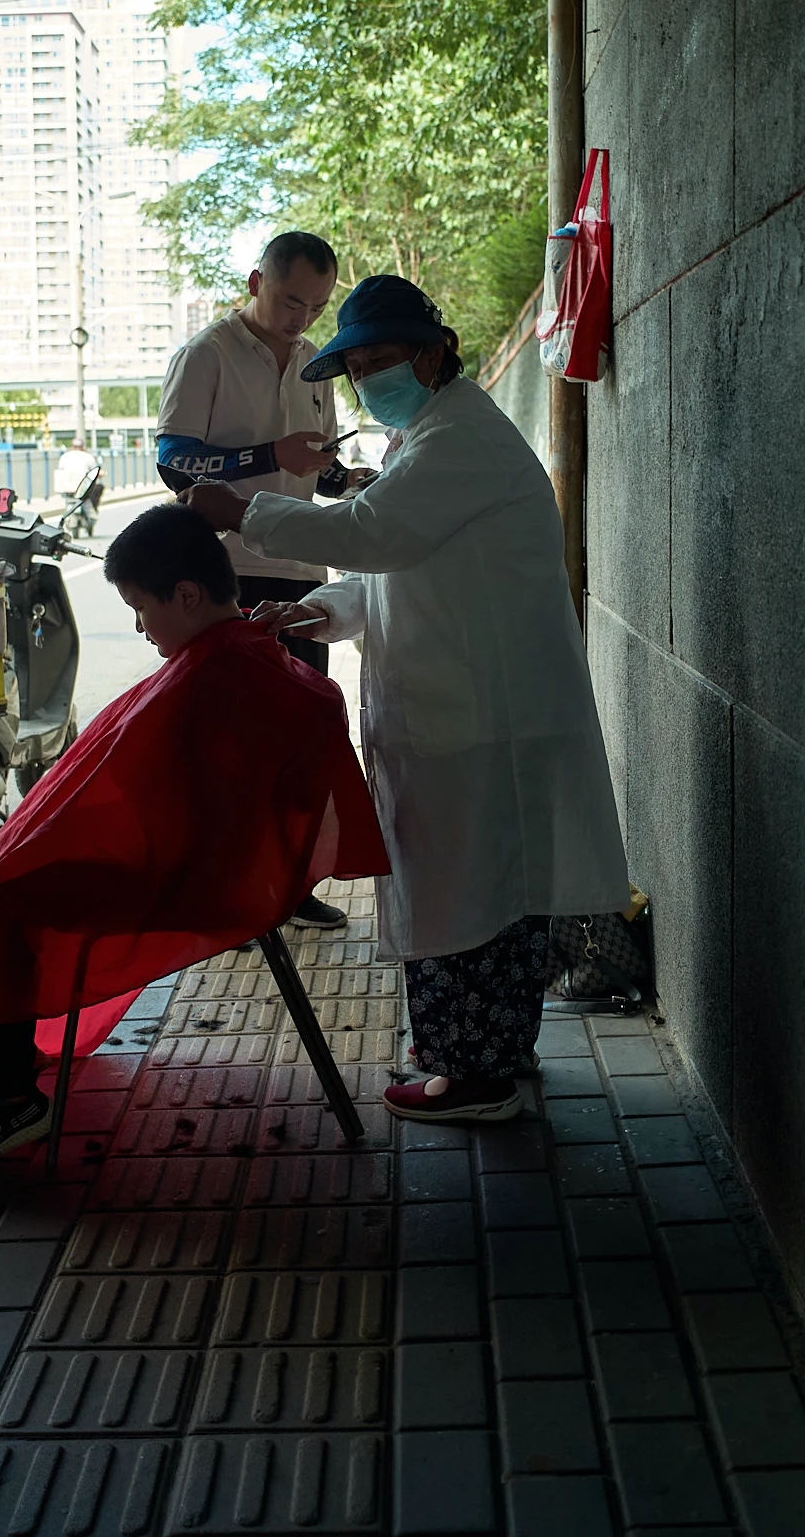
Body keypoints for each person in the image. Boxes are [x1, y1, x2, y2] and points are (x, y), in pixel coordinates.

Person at [184, 274, 629, 1124]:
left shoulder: (459, 439)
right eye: (356, 369)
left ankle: (474, 1077)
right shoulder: (425, 442)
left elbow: (372, 535)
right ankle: (492, 1054)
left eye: (381, 360)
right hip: (460, 709)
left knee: (470, 900)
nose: (367, 381)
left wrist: (239, 512)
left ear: (433, 354)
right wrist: (317, 609)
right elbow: (393, 573)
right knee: (484, 895)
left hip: (476, 719)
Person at [0, 504, 387, 1171]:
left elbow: (123, 800)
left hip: (194, 883)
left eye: (141, 608)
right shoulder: (247, 657)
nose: (139, 626)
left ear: (185, 594)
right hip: (220, 868)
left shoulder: (215, 675)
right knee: (4, 885)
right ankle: (9, 1074)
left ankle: (10, 1100)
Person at [155, 230, 366, 930]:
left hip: (304, 571)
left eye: (315, 305)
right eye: (288, 299)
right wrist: (265, 454)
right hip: (227, 573)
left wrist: (347, 480)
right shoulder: (207, 353)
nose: (300, 317)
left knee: (299, 736)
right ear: (254, 283)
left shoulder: (315, 365)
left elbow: (317, 468)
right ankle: (227, 899)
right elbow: (175, 462)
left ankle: (290, 885)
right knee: (228, 746)